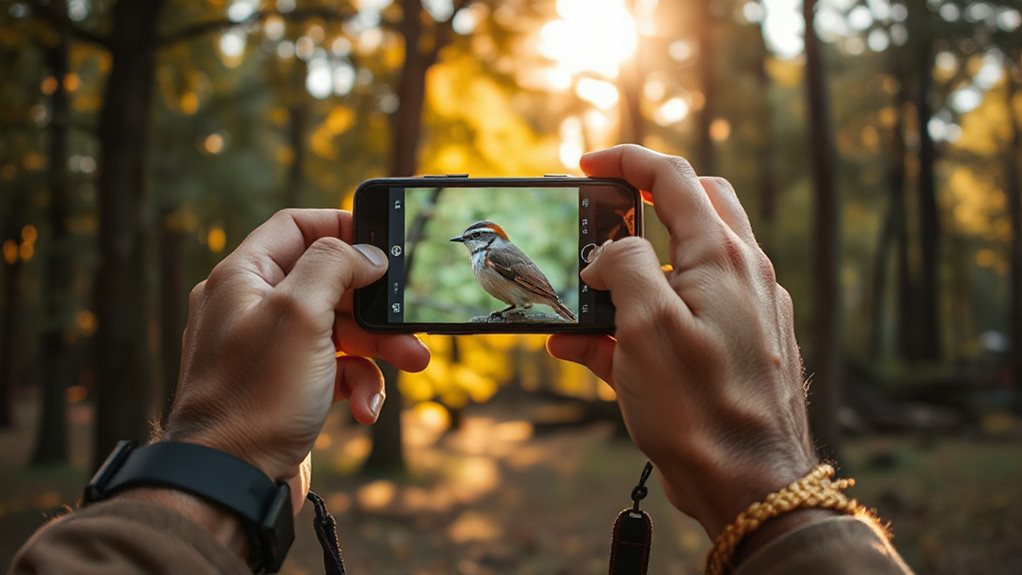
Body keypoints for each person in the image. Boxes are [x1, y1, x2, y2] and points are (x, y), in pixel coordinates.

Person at [9, 145, 913, 574]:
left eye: (479, 236)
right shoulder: (489, 262)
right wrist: (777, 490)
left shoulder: (506, 260)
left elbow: (527, 280)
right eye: (474, 239)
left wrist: (210, 453)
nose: (475, 246)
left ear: (495, 242)